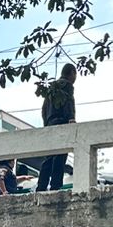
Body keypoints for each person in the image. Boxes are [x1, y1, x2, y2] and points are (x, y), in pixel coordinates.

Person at [37, 63, 77, 193]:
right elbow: (69, 101)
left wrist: (46, 123)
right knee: (60, 156)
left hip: (50, 122)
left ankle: (41, 186)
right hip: (61, 121)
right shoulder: (67, 85)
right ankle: (55, 185)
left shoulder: (51, 87)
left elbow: (43, 109)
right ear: (72, 73)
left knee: (49, 156)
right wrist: (71, 118)